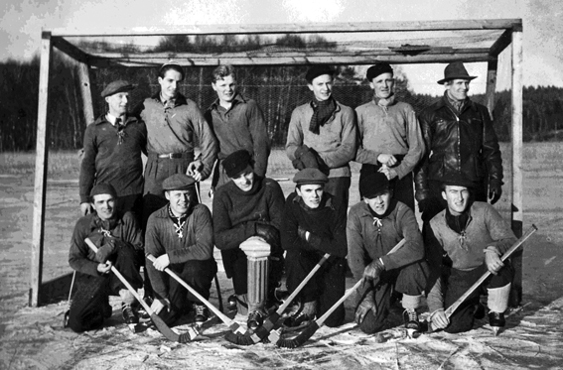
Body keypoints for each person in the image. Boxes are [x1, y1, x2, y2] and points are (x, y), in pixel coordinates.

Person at [415, 61, 503, 224]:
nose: (465, 87)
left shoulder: (480, 112)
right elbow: (421, 156)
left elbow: (491, 149)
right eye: (460, 83)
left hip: (473, 182)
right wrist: (421, 191)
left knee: (475, 229)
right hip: (439, 184)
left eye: (467, 83)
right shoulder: (430, 114)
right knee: (435, 232)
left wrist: (495, 180)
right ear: (447, 85)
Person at [426, 175, 516, 333]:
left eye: (463, 191)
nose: (459, 198)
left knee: (501, 267)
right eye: (453, 191)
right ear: (444, 195)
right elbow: (433, 268)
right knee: (453, 326)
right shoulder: (435, 224)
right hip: (461, 275)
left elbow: (512, 241)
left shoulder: (484, 211)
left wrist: (493, 249)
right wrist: (436, 309)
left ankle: (496, 310)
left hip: (488, 269)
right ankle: (475, 305)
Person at [134, 62, 218, 226]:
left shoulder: (190, 107)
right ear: (160, 80)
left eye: (178, 82)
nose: (174, 86)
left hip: (183, 166)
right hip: (156, 167)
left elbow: (209, 140)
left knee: (187, 218)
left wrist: (204, 165)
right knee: (152, 217)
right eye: (170, 81)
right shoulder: (146, 106)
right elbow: (131, 130)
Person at [347, 172, 428, 334]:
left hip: (400, 269)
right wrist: (367, 294)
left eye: (383, 194)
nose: (379, 201)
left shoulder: (402, 211)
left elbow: (416, 247)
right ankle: (388, 298)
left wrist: (382, 263)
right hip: (375, 275)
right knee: (369, 325)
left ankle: (410, 308)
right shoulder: (356, 214)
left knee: (416, 266)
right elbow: (355, 258)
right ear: (365, 199)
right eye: (372, 197)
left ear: (390, 192)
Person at [212, 150, 285, 329]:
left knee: (266, 308)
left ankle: (268, 298)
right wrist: (253, 228)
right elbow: (220, 238)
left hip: (268, 252)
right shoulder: (223, 194)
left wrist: (262, 235)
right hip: (238, 256)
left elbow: (281, 228)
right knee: (246, 313)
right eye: (237, 177)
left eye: (247, 173)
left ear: (253, 167)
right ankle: (244, 302)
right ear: (230, 178)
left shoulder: (269, 187)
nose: (244, 180)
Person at [68, 183, 144, 333]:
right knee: (77, 324)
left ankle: (129, 305)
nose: (106, 206)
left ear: (116, 200)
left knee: (126, 249)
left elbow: (139, 249)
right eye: (100, 202)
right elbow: (74, 259)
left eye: (110, 200)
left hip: (123, 276)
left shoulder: (127, 218)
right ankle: (100, 308)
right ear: (93, 205)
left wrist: (114, 244)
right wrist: (96, 267)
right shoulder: (84, 224)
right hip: (96, 275)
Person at [144, 174, 217, 326]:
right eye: (177, 195)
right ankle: (182, 304)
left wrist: (170, 257)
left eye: (187, 194)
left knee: (195, 267)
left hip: (197, 270)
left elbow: (204, 250)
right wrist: (161, 295)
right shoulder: (155, 219)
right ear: (167, 195)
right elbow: (151, 258)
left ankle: (198, 303)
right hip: (174, 275)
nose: (183, 200)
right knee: (164, 319)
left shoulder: (200, 212)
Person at [286, 65, 357, 217]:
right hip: (309, 176)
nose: (325, 88)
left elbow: (348, 150)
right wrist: (302, 155)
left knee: (335, 221)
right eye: (320, 84)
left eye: (328, 83)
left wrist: (315, 160)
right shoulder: (300, 112)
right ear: (310, 86)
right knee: (308, 220)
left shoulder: (345, 112)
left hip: (337, 176)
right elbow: (291, 146)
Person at [281, 168, 347, 328]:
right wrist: (322, 244)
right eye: (308, 190)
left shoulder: (335, 205)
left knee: (333, 321)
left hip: (329, 263)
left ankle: (321, 298)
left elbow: (341, 248)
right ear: (298, 191)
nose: (314, 195)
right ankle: (307, 303)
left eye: (318, 190)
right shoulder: (292, 203)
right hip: (305, 262)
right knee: (294, 256)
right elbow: (287, 242)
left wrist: (309, 237)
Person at [355, 63, 425, 211]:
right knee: (374, 220)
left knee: (403, 217)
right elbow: (352, 149)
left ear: (393, 82)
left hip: (400, 171)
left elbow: (418, 147)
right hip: (372, 169)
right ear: (371, 84)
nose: (384, 85)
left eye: (388, 80)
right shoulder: (360, 112)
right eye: (379, 81)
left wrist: (397, 171)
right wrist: (377, 157)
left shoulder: (406, 109)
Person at [79, 80, 147, 218]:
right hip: (106, 197)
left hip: (134, 195)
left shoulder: (138, 126)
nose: (126, 101)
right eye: (120, 96)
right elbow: (87, 166)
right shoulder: (95, 129)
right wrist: (85, 199)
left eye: (127, 96)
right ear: (108, 99)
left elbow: (153, 154)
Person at [205, 65, 270, 190]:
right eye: (223, 85)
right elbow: (209, 149)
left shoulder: (249, 106)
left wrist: (257, 176)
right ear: (214, 86)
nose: (228, 89)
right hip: (224, 175)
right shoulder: (210, 113)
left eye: (232, 84)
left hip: (248, 171)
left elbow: (261, 144)